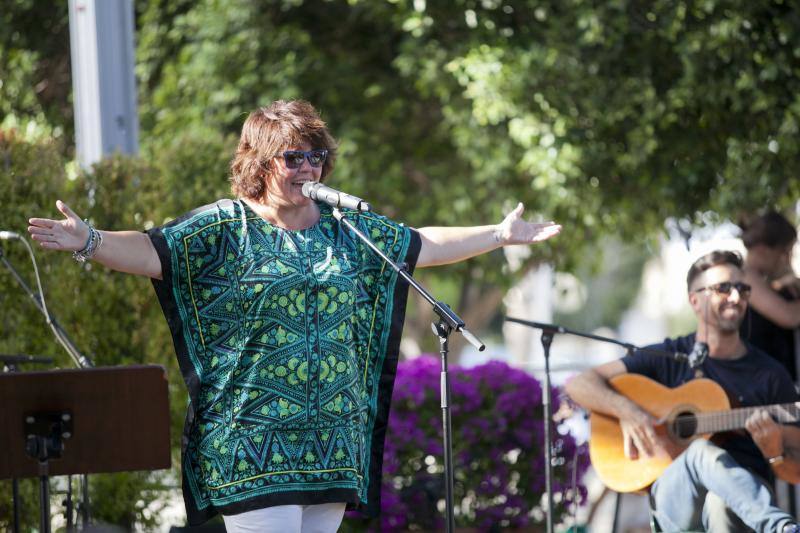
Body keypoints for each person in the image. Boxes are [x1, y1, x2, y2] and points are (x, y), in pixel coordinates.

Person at [27, 100, 561, 532]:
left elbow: (420, 244)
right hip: (252, 444)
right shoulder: (225, 227)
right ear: (260, 164)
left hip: (331, 444)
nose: (309, 168)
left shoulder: (346, 228)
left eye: (316, 156)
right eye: (294, 157)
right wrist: (90, 240)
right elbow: (151, 251)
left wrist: (497, 235)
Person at [565, 250, 800, 532]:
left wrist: (774, 452)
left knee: (719, 503)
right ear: (695, 300)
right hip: (673, 498)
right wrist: (628, 412)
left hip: (743, 509)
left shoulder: (770, 375)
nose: (736, 297)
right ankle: (780, 527)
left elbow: (795, 473)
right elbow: (579, 384)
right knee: (699, 450)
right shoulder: (668, 356)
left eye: (742, 288)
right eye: (723, 288)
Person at [740, 211, 800, 380]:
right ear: (762, 250)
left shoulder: (760, 280)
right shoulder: (745, 276)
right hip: (756, 381)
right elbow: (789, 316)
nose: (786, 260)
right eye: (784, 252)